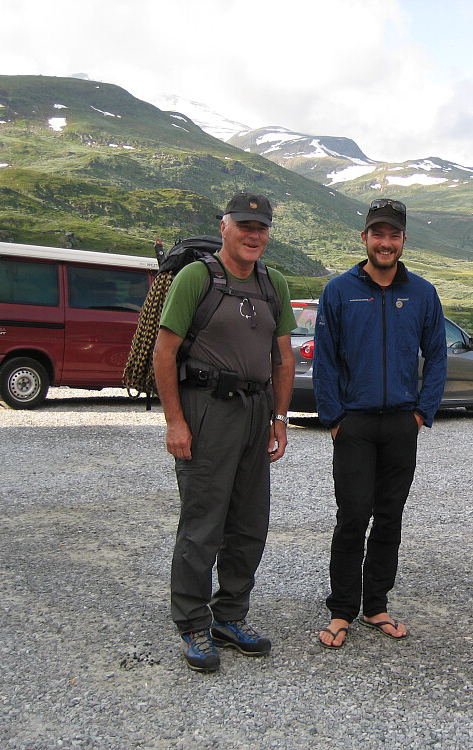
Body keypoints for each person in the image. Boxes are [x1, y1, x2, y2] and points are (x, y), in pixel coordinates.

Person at [153, 192, 295, 672]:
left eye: (261, 228)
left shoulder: (273, 283)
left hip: (256, 412)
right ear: (224, 227)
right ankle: (193, 622)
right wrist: (176, 421)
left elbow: (284, 357)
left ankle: (230, 617)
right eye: (245, 226)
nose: (254, 235)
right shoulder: (197, 278)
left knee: (250, 523)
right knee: (203, 523)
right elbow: (164, 352)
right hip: (207, 410)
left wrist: (279, 418)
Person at [312, 198, 447, 649]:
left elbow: (437, 357)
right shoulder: (339, 290)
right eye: (378, 234)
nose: (385, 243)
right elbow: (325, 360)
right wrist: (334, 419)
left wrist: (421, 414)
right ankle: (341, 610)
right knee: (353, 516)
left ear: (404, 240)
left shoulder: (423, 293)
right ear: (365, 238)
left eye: (393, 235)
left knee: (390, 518)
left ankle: (375, 606)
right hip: (354, 424)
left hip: (401, 425)